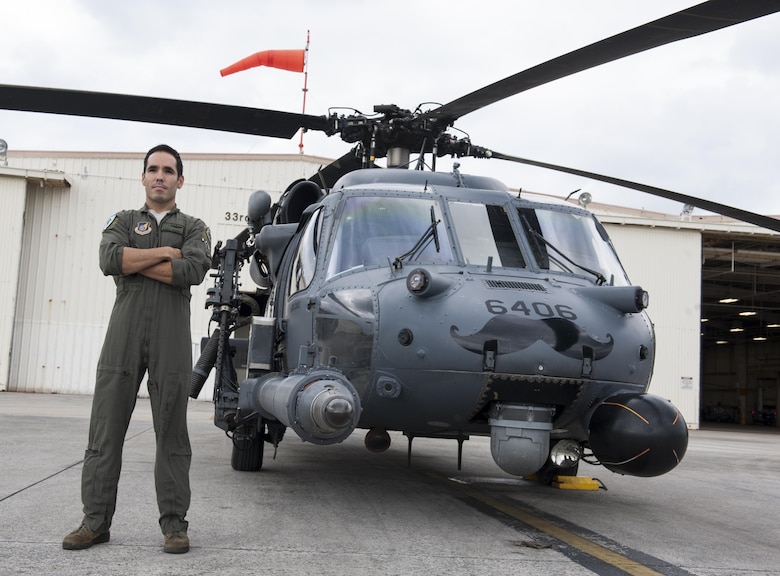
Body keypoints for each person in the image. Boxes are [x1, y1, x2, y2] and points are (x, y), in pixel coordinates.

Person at [62, 144, 212, 554]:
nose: (159, 176)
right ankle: (95, 523)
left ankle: (174, 527)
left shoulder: (195, 226)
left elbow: (194, 270)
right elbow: (110, 258)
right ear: (143, 177)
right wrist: (164, 252)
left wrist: (138, 260)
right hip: (122, 336)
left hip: (171, 339)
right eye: (153, 169)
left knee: (173, 435)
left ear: (180, 180)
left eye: (168, 170)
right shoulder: (124, 220)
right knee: (104, 431)